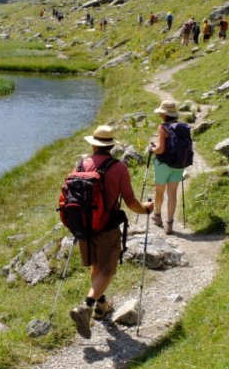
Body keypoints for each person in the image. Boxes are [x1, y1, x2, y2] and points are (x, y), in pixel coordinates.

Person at [69, 125, 154, 339]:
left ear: (93, 144)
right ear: (111, 146)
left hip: (83, 226)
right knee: (107, 269)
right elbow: (131, 202)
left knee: (97, 265)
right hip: (106, 226)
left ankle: (102, 305)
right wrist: (146, 209)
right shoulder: (118, 168)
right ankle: (86, 306)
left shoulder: (81, 164)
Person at [147, 101, 186, 235]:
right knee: (172, 194)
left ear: (164, 114)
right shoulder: (183, 126)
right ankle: (169, 224)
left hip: (163, 164)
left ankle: (157, 216)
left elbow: (161, 149)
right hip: (179, 164)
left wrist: (151, 149)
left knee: (159, 191)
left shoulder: (163, 127)